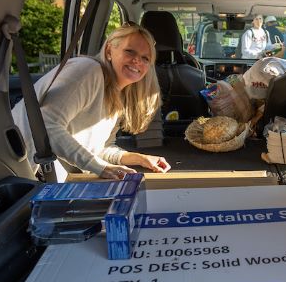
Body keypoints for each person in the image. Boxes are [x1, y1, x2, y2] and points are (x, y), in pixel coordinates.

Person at [12, 23, 171, 181]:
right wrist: (100, 167)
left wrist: (139, 158)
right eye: (130, 51)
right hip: (20, 171)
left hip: (46, 173)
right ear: (109, 51)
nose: (137, 61)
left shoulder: (117, 96)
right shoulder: (88, 71)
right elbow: (45, 125)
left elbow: (100, 149)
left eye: (145, 58)